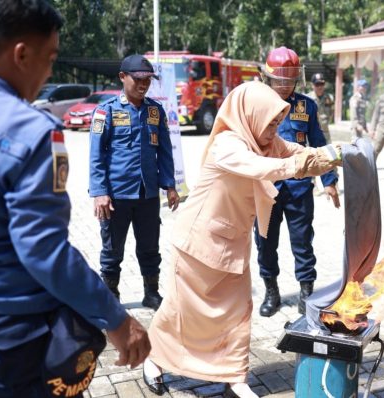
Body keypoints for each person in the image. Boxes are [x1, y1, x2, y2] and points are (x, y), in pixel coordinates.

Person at [0, 0, 149, 395]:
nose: (49, 70)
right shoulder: (30, 130)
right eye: (50, 58)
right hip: (13, 335)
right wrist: (117, 319)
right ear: (21, 54)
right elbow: (43, 249)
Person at [142, 81, 340, 397]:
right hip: (198, 244)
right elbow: (261, 168)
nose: (274, 129)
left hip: (232, 245)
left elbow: (298, 152)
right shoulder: (227, 144)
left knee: (238, 313)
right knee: (180, 310)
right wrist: (299, 165)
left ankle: (235, 378)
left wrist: (333, 155)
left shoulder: (268, 142)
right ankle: (155, 359)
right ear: (251, 115)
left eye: (278, 123)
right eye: (270, 122)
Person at [89, 54, 180, 311]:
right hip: (115, 196)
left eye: (148, 80)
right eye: (138, 79)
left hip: (147, 195)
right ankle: (110, 298)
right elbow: (96, 155)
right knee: (112, 252)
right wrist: (99, 192)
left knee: (150, 248)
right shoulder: (105, 111)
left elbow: (164, 151)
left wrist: (170, 186)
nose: (143, 85)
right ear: (122, 77)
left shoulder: (155, 111)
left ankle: (151, 293)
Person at [255, 47, 340, 317]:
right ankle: (271, 292)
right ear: (268, 78)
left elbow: (319, 144)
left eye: (289, 80)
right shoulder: (255, 105)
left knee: (302, 242)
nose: (284, 85)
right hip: (266, 188)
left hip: (299, 187)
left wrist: (329, 180)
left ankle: (306, 292)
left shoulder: (306, 106)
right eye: (279, 79)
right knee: (265, 242)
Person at [306, 72, 334, 145]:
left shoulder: (329, 98)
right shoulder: (307, 99)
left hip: (325, 134)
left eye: (322, 84)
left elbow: (331, 114)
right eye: (317, 84)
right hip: (310, 135)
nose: (320, 87)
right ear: (312, 85)